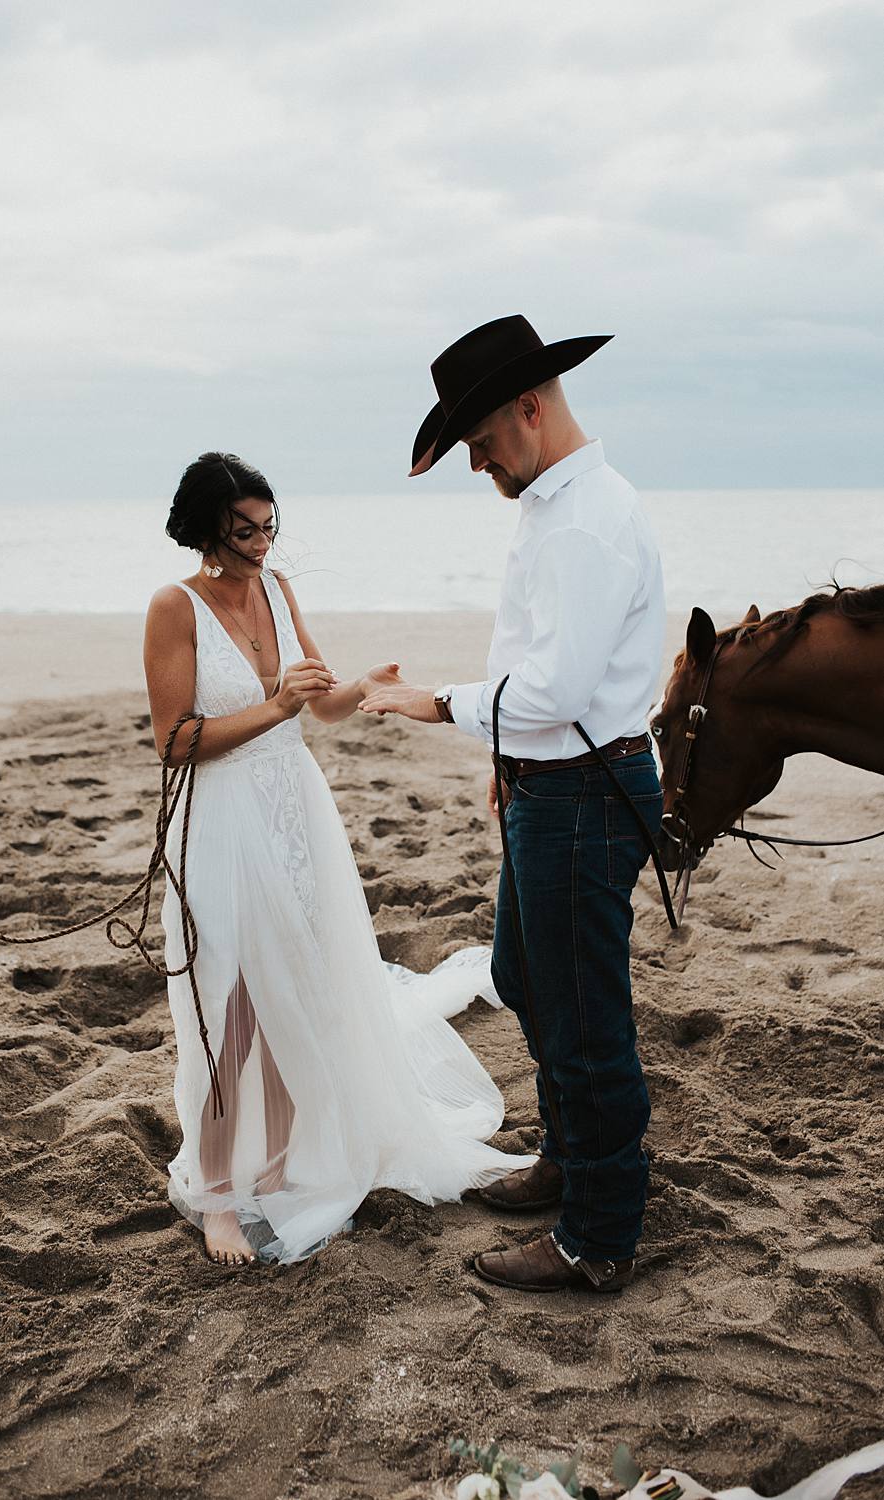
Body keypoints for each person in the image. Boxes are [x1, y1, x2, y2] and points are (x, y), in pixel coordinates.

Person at [142, 450, 534, 1267]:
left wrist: (360, 687)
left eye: (269, 526)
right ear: (206, 528)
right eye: (243, 530)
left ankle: (282, 1164)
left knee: (299, 986)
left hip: (295, 811)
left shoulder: (279, 591)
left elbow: (316, 707)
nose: (261, 543)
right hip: (221, 821)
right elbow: (176, 742)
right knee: (230, 1003)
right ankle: (219, 1196)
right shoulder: (172, 607)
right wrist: (274, 704)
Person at [360, 316, 665, 1294]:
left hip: (582, 789)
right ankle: (568, 1164)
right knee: (520, 976)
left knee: (582, 1018)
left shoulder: (583, 519)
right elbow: (534, 667)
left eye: (481, 442)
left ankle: (597, 1236)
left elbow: (557, 693)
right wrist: (505, 760)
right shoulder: (552, 504)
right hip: (548, 783)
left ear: (529, 410)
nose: (474, 464)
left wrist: (435, 703)